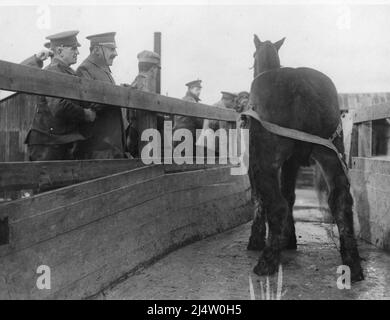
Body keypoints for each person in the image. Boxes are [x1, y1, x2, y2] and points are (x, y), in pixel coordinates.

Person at [24, 30, 96, 161]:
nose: (78, 52)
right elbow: (58, 106)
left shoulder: (67, 72)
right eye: (73, 48)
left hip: (57, 141)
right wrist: (85, 114)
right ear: (60, 50)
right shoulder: (53, 70)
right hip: (47, 144)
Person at [75, 32, 126, 159]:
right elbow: (90, 103)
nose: (115, 53)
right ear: (97, 50)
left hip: (111, 147)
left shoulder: (103, 70)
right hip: (99, 148)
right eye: (111, 49)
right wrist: (117, 94)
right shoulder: (85, 70)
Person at [127, 50, 161, 158]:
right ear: (153, 69)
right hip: (141, 132)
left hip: (135, 131)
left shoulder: (136, 82)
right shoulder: (145, 84)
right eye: (156, 69)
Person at [173, 80, 204, 152]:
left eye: (200, 90)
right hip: (185, 135)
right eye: (197, 90)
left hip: (182, 135)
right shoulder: (190, 100)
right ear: (190, 89)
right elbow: (198, 119)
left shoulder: (188, 99)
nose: (199, 92)